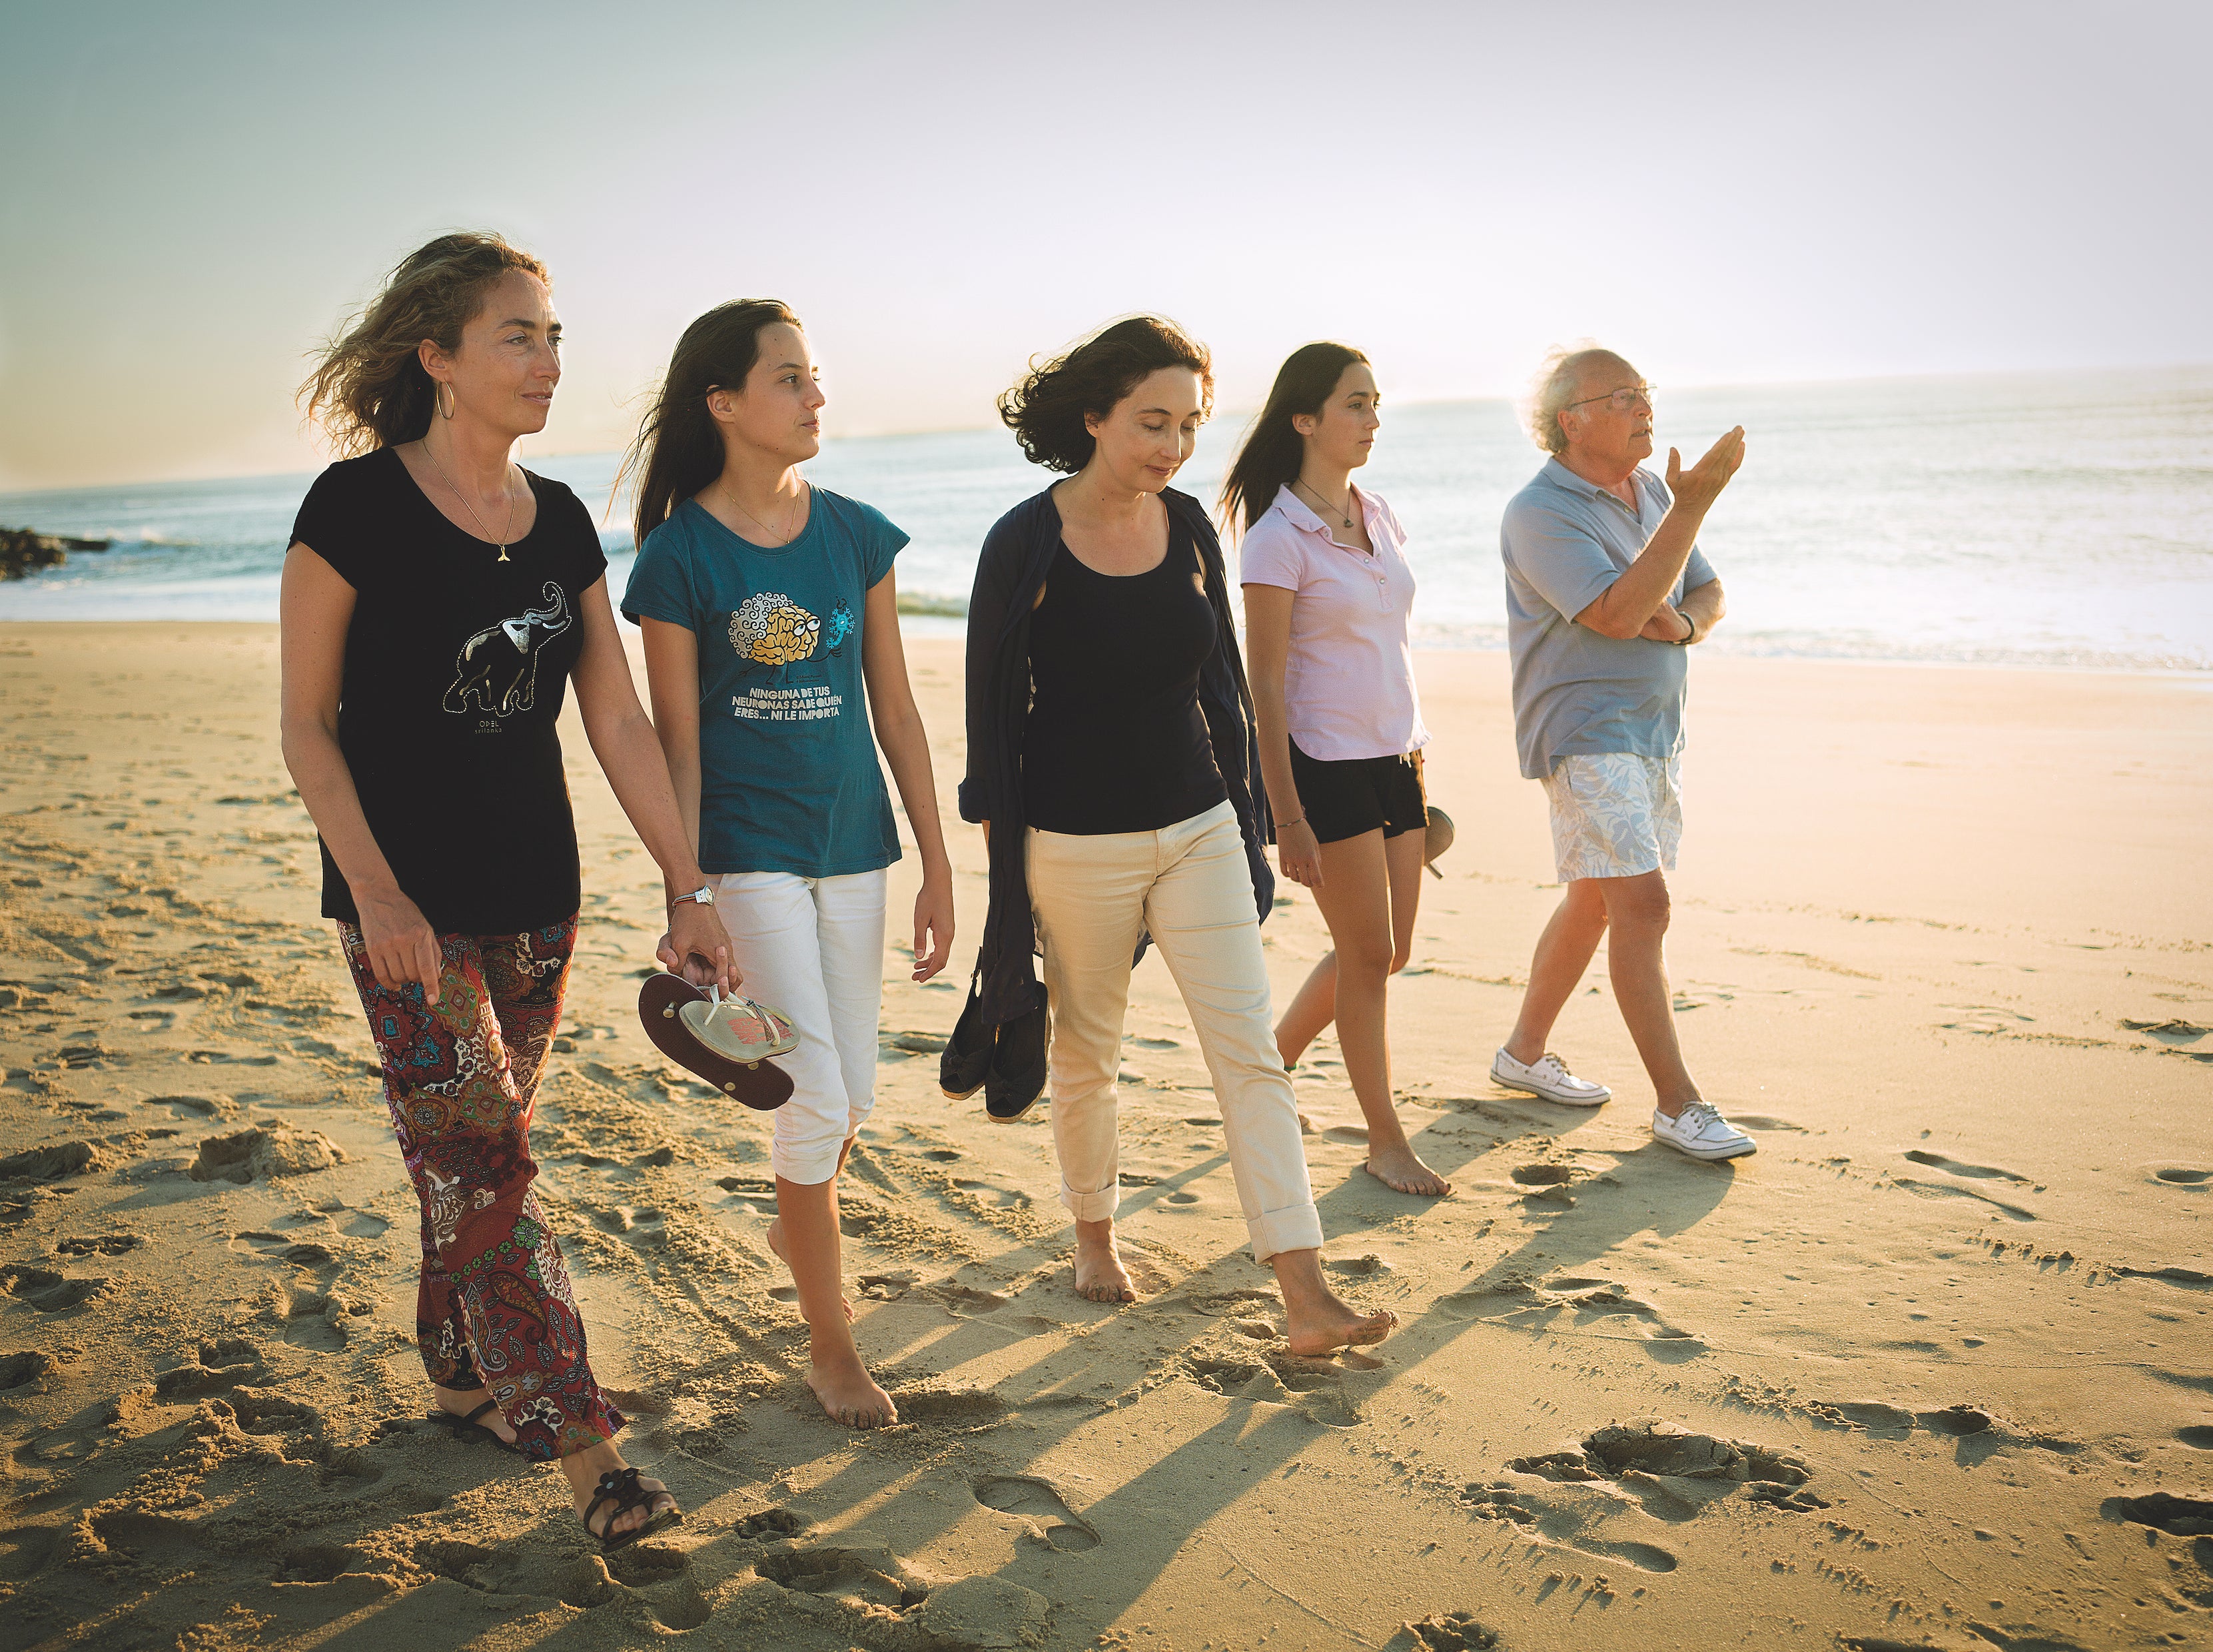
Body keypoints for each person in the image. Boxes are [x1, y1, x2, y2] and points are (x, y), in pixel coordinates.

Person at [282, 232, 723, 1547]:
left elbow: (619, 724)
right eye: (517, 336)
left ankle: (465, 1367)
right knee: (488, 1159)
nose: (547, 361)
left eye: (553, 335)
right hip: (403, 912)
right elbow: (307, 724)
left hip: (539, 899)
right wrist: (377, 897)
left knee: (471, 1163)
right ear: (438, 357)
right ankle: (593, 1461)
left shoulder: (564, 519)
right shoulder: (352, 509)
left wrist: (685, 888)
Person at [960, 315, 1395, 1356]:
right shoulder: (1024, 542)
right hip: (1074, 845)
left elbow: (1225, 695)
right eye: (1151, 422)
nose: (1171, 446)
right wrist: (1002, 891)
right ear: (1095, 416)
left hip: (1197, 824)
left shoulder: (1191, 525)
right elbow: (989, 722)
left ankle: (1303, 1289)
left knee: (1249, 1055)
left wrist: (1249, 829)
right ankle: (1094, 1235)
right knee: (1088, 1052)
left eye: (1188, 425)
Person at [622, 300, 955, 1430]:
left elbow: (897, 712)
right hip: (748, 856)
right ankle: (830, 1347)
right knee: (815, 1102)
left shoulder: (856, 532)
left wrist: (938, 863)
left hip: (855, 847)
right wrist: (688, 890)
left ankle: (789, 1213)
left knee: (850, 1098)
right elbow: (680, 739)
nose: (816, 397)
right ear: (723, 404)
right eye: (789, 380)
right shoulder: (678, 557)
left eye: (815, 377)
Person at [1492, 344, 1755, 1161]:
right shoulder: (1539, 512)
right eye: (1623, 396)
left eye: (1645, 392)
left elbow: (1704, 593)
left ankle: (1523, 1054)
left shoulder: (1645, 490)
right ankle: (1680, 1105)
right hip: (1584, 727)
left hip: (1652, 730)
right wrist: (1692, 510)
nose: (1646, 407)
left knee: (1598, 899)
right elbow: (1611, 615)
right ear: (1570, 420)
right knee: (1644, 906)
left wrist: (1673, 619)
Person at [1224, 342, 1446, 1197]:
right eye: (1356, 403)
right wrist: (1285, 814)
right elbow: (1265, 683)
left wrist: (1420, 759)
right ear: (1305, 418)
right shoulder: (1279, 537)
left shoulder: (1379, 513)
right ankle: (1383, 1140)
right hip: (1326, 767)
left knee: (1387, 954)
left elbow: (1385, 647)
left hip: (1400, 756)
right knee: (1366, 953)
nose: (1372, 419)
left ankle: (1271, 1059)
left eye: (1375, 402)